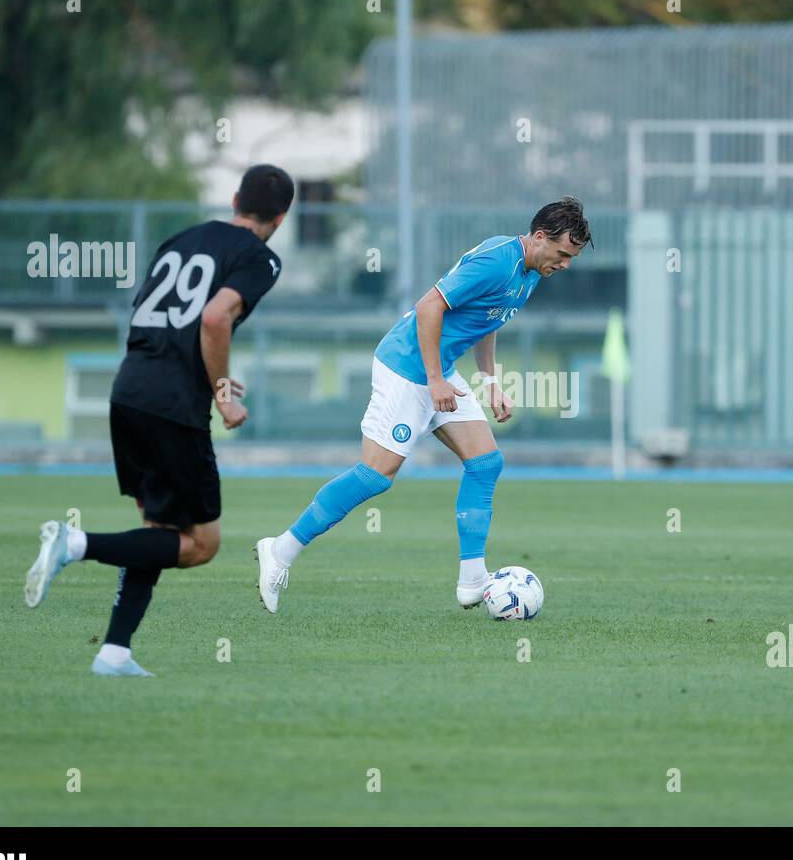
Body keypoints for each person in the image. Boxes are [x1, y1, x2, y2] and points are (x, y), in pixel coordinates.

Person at [253, 196, 591, 613]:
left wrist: (490, 381)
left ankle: (472, 580)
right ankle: (280, 549)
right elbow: (429, 306)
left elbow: (489, 319)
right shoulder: (497, 261)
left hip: (438, 369)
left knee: (486, 462)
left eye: (570, 257)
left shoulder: (531, 272)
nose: (565, 264)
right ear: (540, 237)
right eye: (562, 254)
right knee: (377, 475)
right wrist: (434, 381)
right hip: (407, 367)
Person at [24, 165, 294, 676]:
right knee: (201, 544)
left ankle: (114, 652)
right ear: (280, 218)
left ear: (235, 198)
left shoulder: (180, 239)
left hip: (128, 391)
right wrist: (221, 393)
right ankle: (74, 543)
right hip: (173, 406)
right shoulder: (260, 258)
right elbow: (215, 317)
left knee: (161, 531)